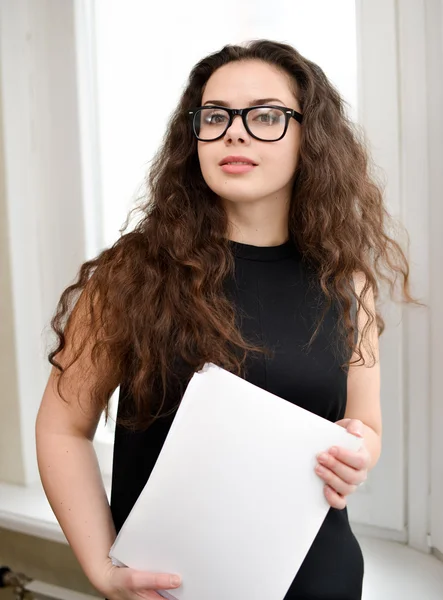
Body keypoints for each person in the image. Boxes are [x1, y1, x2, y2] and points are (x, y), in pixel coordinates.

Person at [36, 39, 420, 600]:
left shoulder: (348, 284)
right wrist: (101, 566)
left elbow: (366, 426)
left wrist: (358, 451)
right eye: (215, 117)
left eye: (265, 116)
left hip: (320, 579)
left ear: (310, 136)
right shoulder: (131, 276)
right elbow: (62, 428)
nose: (234, 132)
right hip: (172, 588)